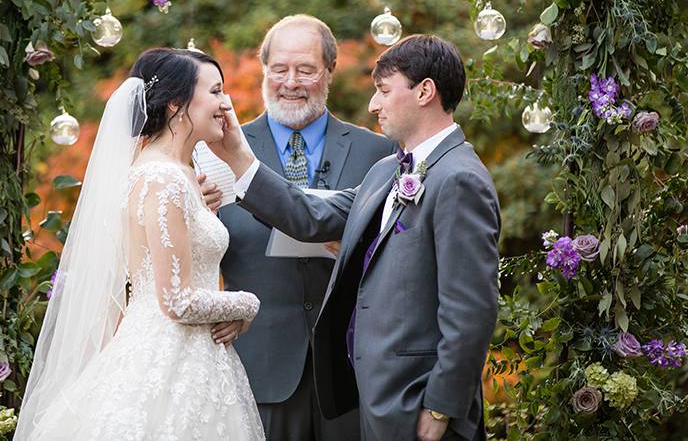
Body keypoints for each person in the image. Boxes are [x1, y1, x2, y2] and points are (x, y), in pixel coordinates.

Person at [210, 35, 500, 441]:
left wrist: (442, 404)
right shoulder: (387, 171)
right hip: (378, 400)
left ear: (425, 92)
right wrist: (238, 155)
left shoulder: (459, 179)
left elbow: (471, 309)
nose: (373, 105)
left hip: (419, 403)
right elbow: (308, 216)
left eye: (382, 91)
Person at [15, 48, 265, 440]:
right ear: (175, 104)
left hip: (198, 358)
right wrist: (246, 304)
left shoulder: (183, 174)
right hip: (165, 359)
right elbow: (177, 300)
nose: (225, 104)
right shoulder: (160, 179)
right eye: (215, 92)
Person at [210, 14, 395, 441]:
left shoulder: (378, 152)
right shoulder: (215, 151)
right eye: (279, 69)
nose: (290, 81)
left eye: (306, 70)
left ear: (330, 72)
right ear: (264, 71)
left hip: (349, 369)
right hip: (258, 364)